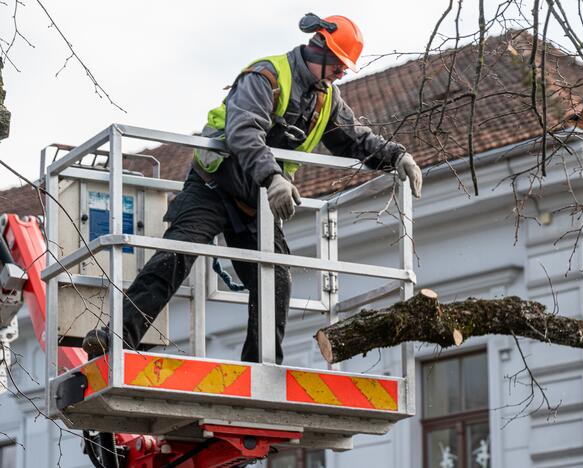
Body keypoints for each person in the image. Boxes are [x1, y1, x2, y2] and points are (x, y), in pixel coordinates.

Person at [82, 13, 422, 363]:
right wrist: (274, 177)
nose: (341, 73)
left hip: (256, 200)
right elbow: (244, 131)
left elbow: (354, 139)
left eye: (345, 67)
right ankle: (118, 338)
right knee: (178, 253)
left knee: (276, 278)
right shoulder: (267, 76)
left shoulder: (327, 99)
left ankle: (261, 365)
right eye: (338, 64)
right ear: (318, 48)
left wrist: (395, 157)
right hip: (214, 186)